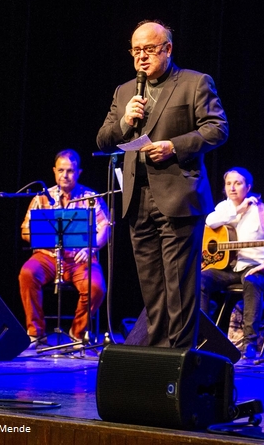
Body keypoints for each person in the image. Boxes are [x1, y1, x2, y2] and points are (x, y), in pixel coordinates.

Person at [96, 20, 228, 348]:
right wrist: (126, 120)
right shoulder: (125, 91)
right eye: (136, 50)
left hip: (178, 197)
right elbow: (102, 140)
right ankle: (156, 360)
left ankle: (179, 363)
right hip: (136, 200)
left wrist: (174, 146)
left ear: (168, 49)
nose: (142, 57)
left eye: (150, 49)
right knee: (152, 288)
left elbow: (217, 128)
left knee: (179, 289)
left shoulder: (195, 83)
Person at [18, 149, 110, 346]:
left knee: (96, 288)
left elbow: (105, 228)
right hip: (48, 257)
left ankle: (77, 333)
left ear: (78, 172)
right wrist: (46, 239)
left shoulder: (90, 197)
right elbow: (24, 230)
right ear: (54, 171)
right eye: (61, 170)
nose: (65, 175)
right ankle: (36, 332)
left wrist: (91, 248)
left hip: (80, 258)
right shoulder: (41, 198)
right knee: (27, 274)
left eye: (70, 171)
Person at [200, 167, 264, 359]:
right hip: (230, 269)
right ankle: (203, 336)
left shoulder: (261, 210)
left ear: (248, 187)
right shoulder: (224, 208)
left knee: (252, 281)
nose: (232, 188)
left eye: (238, 183)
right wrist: (236, 211)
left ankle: (250, 342)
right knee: (200, 279)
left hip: (259, 267)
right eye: (228, 183)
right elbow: (209, 222)